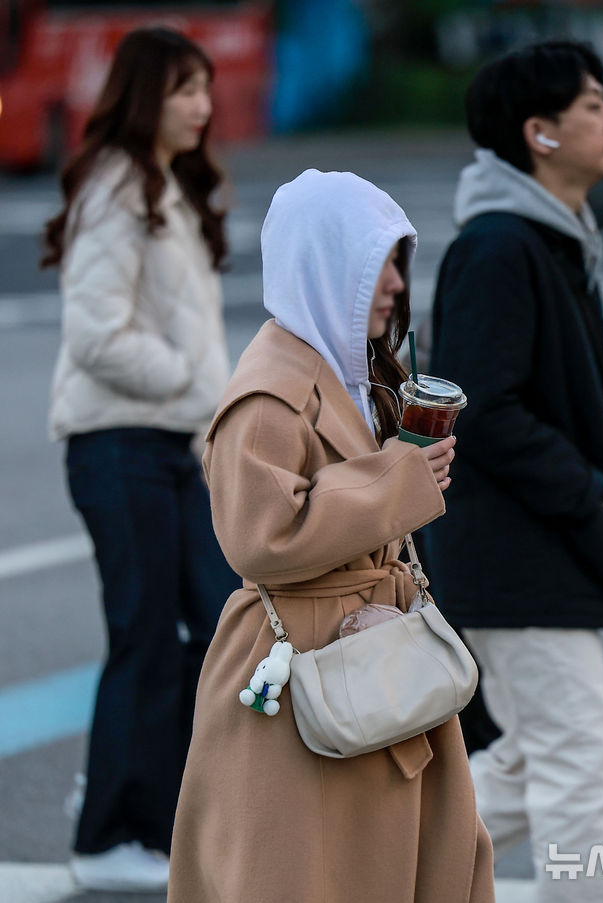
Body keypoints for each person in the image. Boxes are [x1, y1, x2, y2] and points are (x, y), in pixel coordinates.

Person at [167, 169, 495, 903]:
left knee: (401, 859)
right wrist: (399, 479)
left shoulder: (361, 370)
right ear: (324, 264)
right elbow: (259, 539)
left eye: (399, 261)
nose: (393, 283)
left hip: (368, 657)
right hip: (302, 668)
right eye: (376, 261)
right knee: (307, 871)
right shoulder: (269, 393)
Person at [426, 41, 603, 903]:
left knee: (533, 761)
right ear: (540, 132)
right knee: (586, 766)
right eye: (594, 106)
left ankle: (373, 868)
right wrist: (593, 494)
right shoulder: (500, 248)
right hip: (517, 557)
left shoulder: (550, 239)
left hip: (529, 553)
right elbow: (483, 410)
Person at [41, 27, 239, 893]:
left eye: (205, 88)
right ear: (143, 94)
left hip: (171, 446)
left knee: (215, 622)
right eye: (185, 89)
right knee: (147, 635)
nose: (203, 104)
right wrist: (196, 386)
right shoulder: (117, 187)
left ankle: (157, 810)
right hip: (120, 442)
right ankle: (108, 832)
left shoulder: (171, 189)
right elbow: (95, 336)